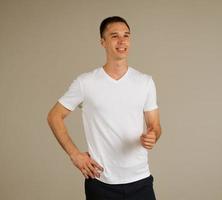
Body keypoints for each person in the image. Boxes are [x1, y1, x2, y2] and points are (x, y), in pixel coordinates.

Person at [47, 16, 162, 200]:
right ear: (103, 42)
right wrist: (75, 155)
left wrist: (153, 135)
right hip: (101, 184)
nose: (122, 41)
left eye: (126, 35)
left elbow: (155, 125)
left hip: (140, 180)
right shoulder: (86, 82)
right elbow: (54, 116)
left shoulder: (145, 82)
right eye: (115, 36)